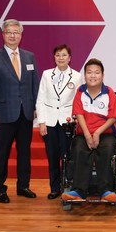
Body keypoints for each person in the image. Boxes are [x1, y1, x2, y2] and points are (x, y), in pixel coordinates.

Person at [0, 19, 39, 204]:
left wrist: (35, 108)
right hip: (4, 113)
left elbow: (34, 85)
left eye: (16, 32)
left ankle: (23, 186)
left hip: (26, 114)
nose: (13, 35)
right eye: (9, 32)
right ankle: (0, 188)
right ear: (3, 34)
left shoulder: (29, 57)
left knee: (24, 152)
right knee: (1, 153)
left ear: (21, 35)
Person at [62, 58, 116, 203]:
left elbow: (113, 117)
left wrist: (97, 133)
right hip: (84, 133)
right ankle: (78, 190)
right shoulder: (80, 92)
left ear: (102, 75)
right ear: (85, 75)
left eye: (97, 72)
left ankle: (106, 190)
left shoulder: (109, 92)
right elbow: (79, 115)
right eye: (89, 72)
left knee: (107, 149)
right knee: (79, 148)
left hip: (105, 133)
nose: (93, 76)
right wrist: (88, 135)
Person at [36, 44, 83, 200]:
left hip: (67, 122)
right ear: (54, 57)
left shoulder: (76, 76)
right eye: (58, 55)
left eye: (64, 55)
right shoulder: (46, 74)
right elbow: (41, 99)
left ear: (69, 58)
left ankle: (67, 186)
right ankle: (54, 188)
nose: (61, 58)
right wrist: (41, 122)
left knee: (67, 156)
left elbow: (79, 100)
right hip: (49, 122)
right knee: (52, 156)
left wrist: (76, 120)